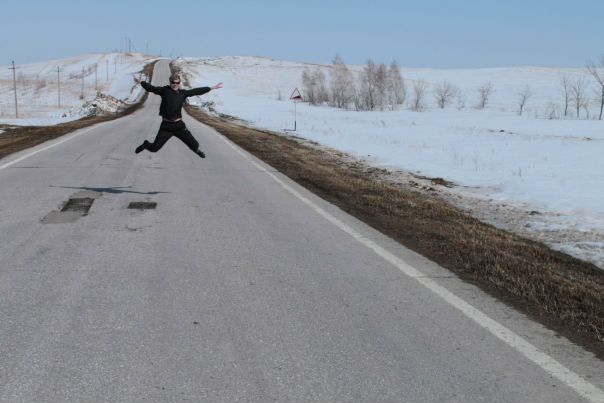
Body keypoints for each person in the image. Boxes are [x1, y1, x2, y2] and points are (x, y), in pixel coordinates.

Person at [133, 74, 223, 158]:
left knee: (194, 144)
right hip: (166, 127)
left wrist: (211, 88)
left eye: (177, 83)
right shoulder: (164, 91)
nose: (175, 84)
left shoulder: (183, 93)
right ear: (170, 82)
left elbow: (196, 91)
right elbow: (151, 88)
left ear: (179, 83)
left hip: (179, 126)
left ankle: (197, 150)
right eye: (173, 82)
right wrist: (141, 82)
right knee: (154, 148)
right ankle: (145, 144)